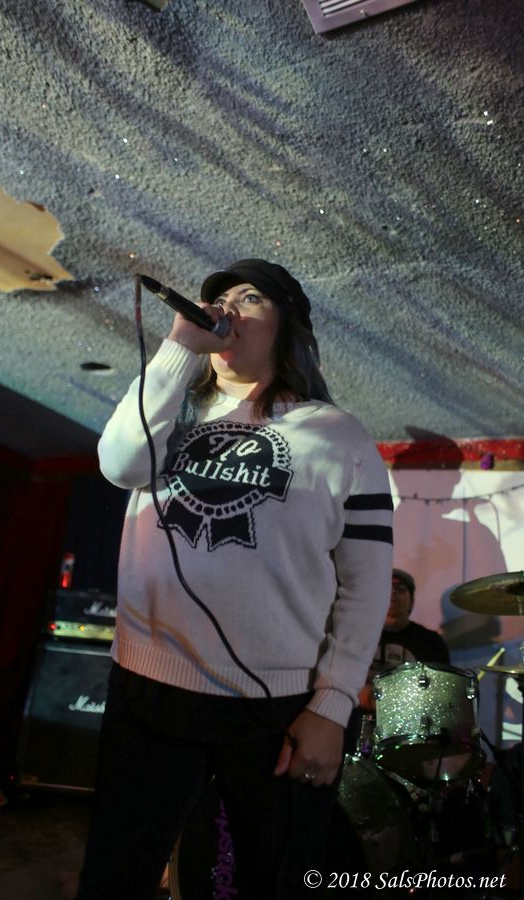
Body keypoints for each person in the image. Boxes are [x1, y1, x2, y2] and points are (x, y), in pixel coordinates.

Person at [76, 259, 393, 900]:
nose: (225, 308)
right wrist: (177, 351)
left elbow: (365, 586)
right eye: (217, 298)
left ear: (287, 327)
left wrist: (331, 708)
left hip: (276, 704)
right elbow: (119, 463)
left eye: (249, 298)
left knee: (278, 881)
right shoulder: (169, 410)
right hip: (150, 689)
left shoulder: (340, 436)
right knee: (116, 878)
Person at [356, 568, 450, 716]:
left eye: (400, 589)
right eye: (388, 588)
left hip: (412, 720)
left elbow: (441, 689)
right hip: (359, 720)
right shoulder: (357, 634)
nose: (393, 592)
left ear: (412, 601)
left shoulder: (431, 642)